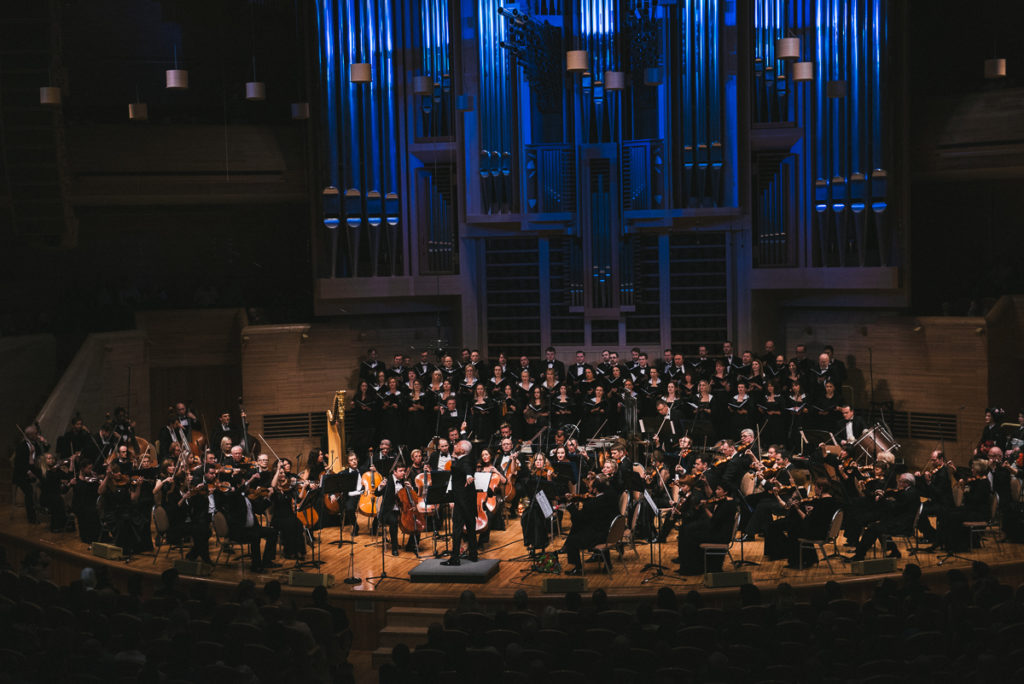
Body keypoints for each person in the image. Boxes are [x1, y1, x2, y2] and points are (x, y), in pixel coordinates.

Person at [562, 475, 619, 576]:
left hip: (599, 536)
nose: (589, 489)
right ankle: (608, 564)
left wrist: (571, 507)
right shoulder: (609, 497)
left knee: (572, 540)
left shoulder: (592, 505)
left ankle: (578, 568)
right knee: (577, 530)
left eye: (590, 488)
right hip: (609, 531)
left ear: (595, 490)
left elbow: (578, 520)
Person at [442, 440, 478, 566]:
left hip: (462, 501)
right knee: (470, 527)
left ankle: (455, 558)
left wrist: (469, 476)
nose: (454, 446)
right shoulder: (466, 458)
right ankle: (473, 555)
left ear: (462, 450)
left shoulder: (465, 460)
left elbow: (467, 468)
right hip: (468, 501)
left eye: (457, 445)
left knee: (457, 529)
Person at [14, 425, 46, 523]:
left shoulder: (35, 444)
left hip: (32, 469)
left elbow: (43, 452)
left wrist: (44, 443)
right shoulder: (21, 446)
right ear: (30, 435)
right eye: (36, 434)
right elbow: (18, 463)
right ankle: (31, 518)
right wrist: (28, 472)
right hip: (21, 474)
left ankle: (43, 505)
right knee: (29, 491)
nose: (37, 435)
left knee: (46, 480)